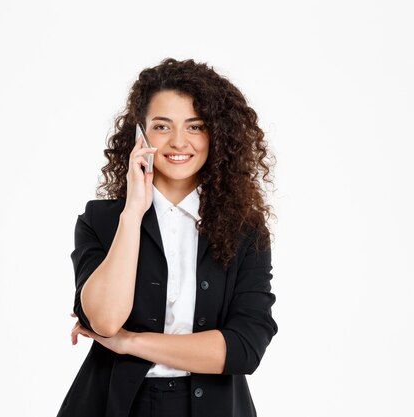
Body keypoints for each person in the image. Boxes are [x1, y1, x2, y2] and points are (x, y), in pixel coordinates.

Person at [56, 57, 278, 417]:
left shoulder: (244, 230)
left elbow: (243, 349)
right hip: (113, 406)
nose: (179, 142)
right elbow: (105, 321)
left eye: (195, 126)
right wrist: (133, 212)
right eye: (162, 126)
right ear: (139, 133)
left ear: (216, 134)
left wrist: (130, 343)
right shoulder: (101, 220)